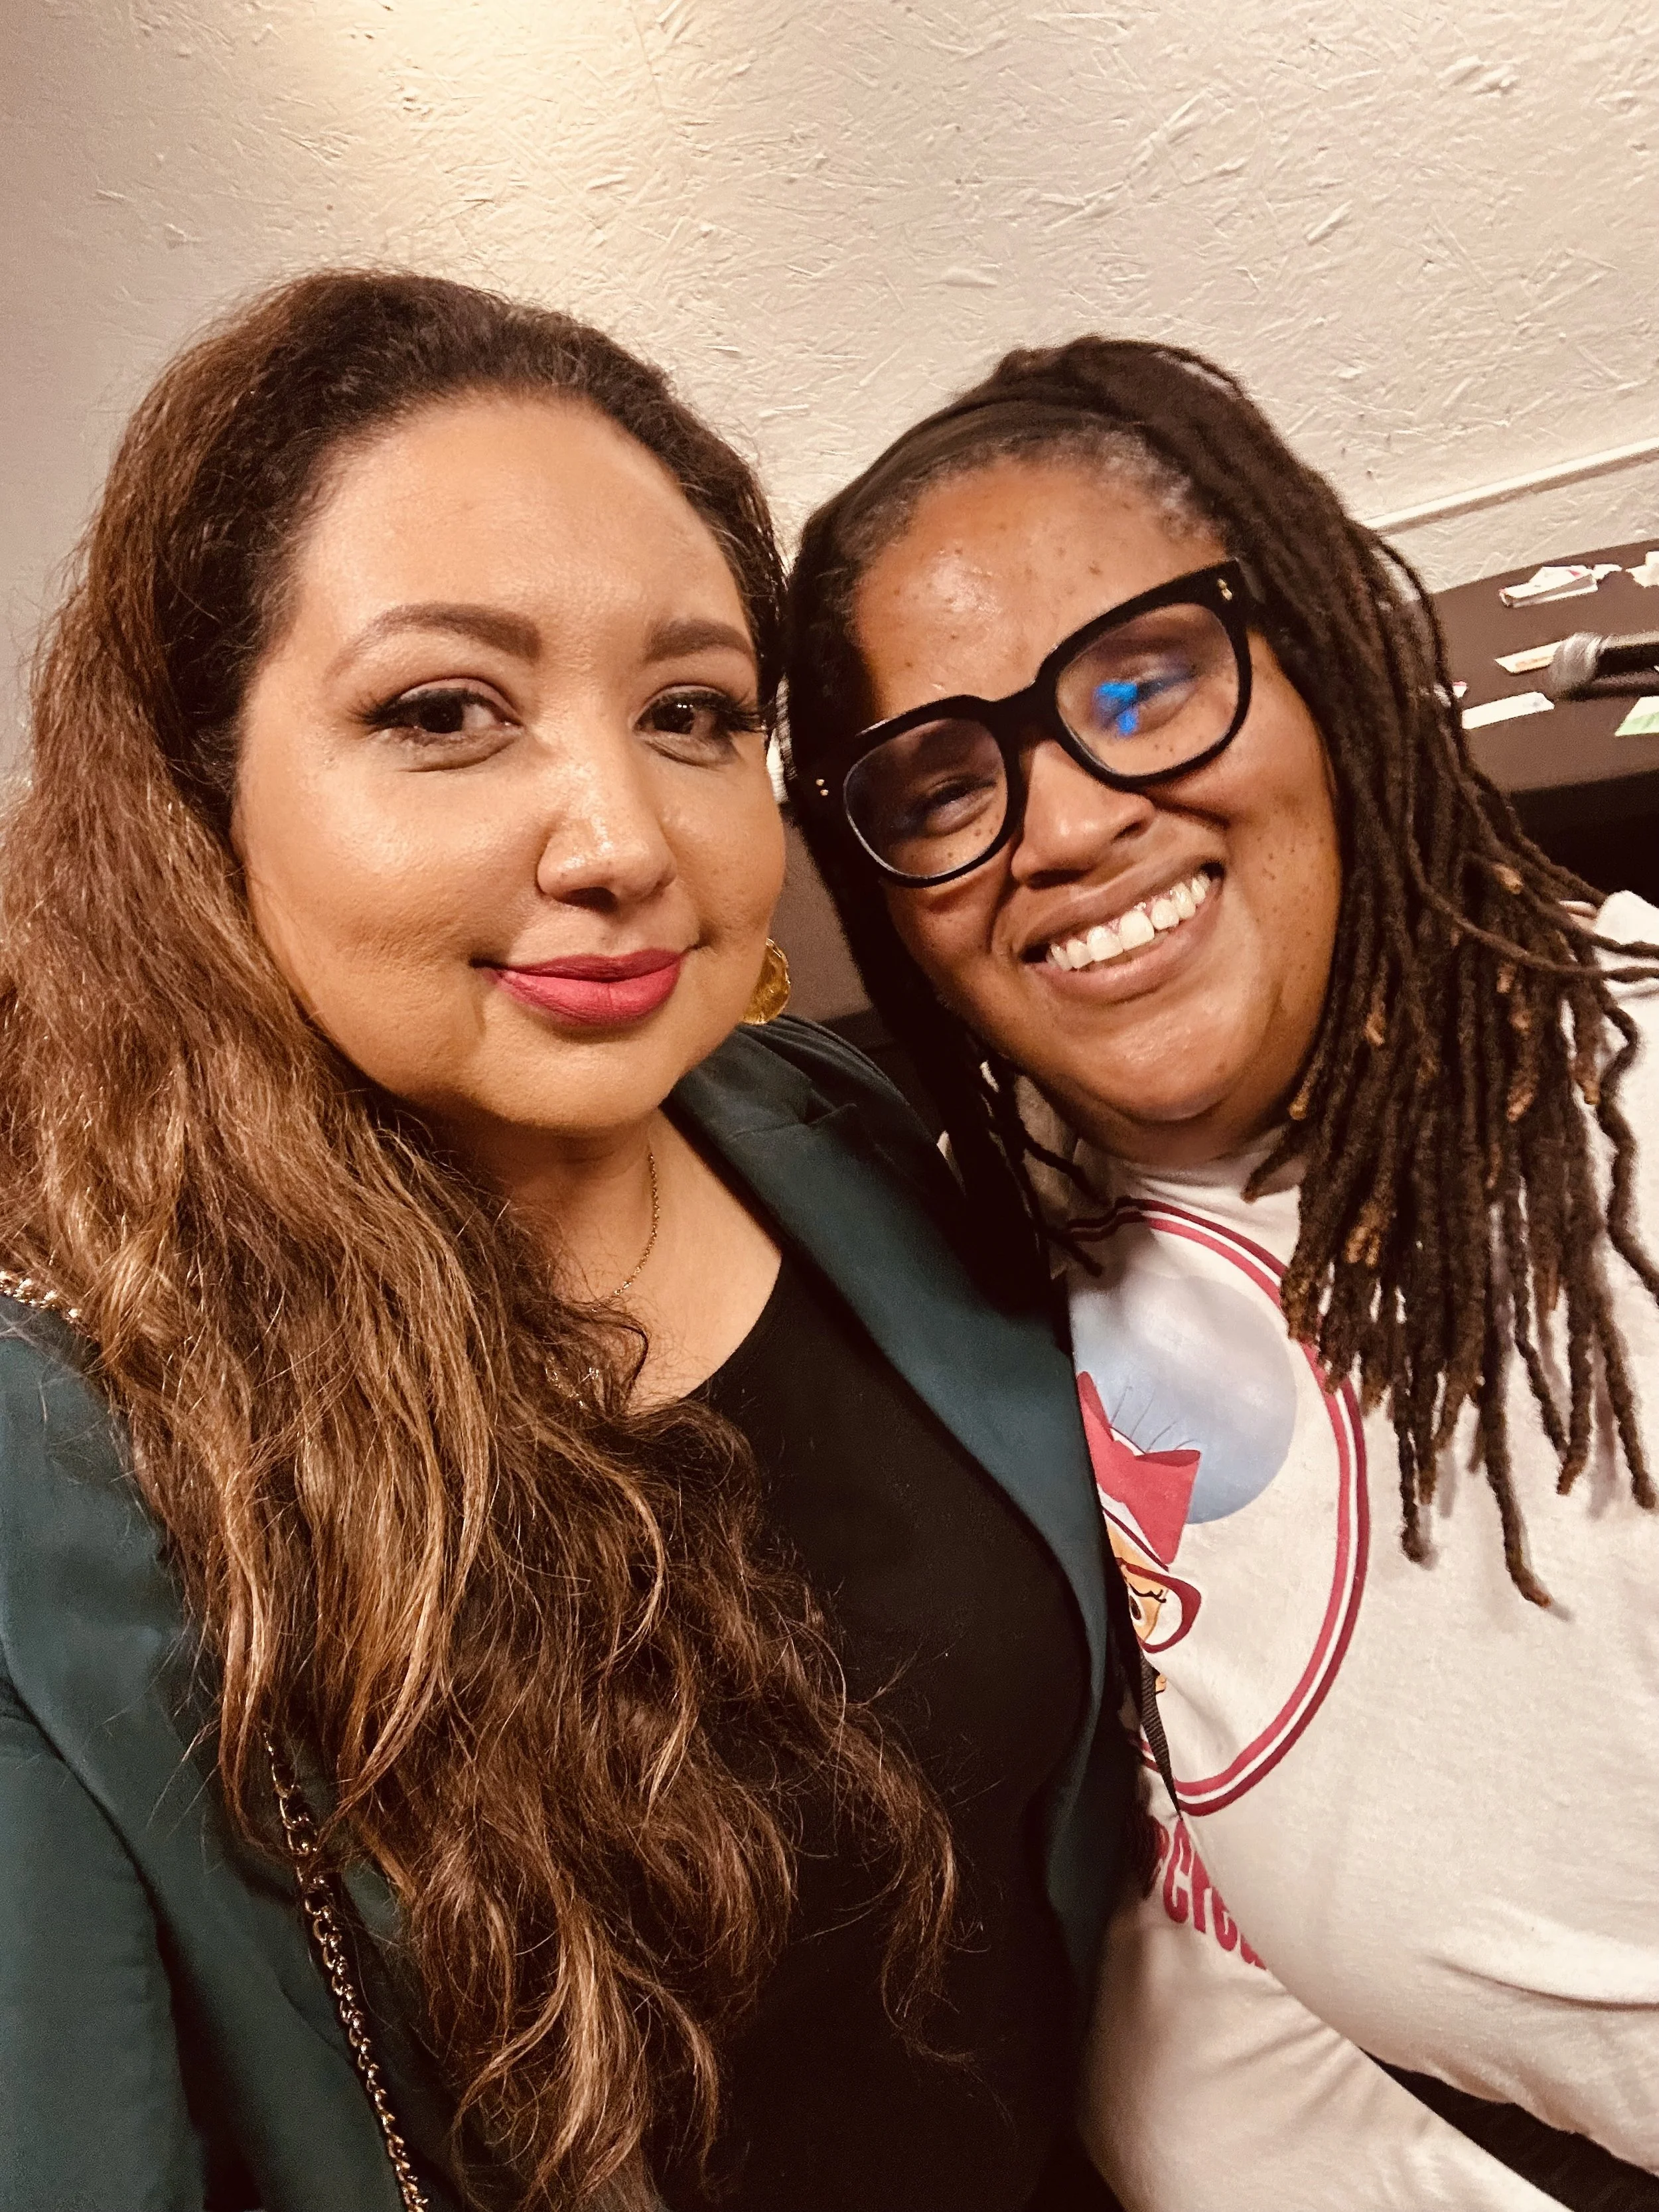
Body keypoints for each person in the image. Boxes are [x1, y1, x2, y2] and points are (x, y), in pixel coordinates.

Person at [0, 274, 1135, 2212]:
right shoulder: (63, 1463)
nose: (619, 833)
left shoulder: (837, 1135)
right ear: (199, 786)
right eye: (445, 712)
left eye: (691, 711)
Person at [782, 337, 1659, 2211]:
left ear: (1323, 660)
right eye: (940, 785)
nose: (1073, 817)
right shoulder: (967, 1196)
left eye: (1143, 678)